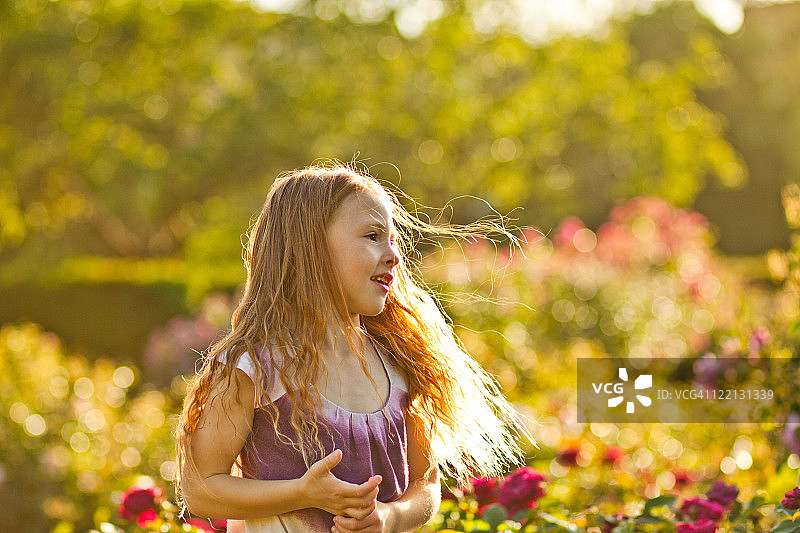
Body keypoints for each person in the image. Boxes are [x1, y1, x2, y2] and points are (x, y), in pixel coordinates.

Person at [174, 163, 533, 533]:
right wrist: (303, 493)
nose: (393, 255)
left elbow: (424, 485)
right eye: (373, 236)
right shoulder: (253, 367)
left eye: (393, 239)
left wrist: (390, 517)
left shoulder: (400, 363)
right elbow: (200, 489)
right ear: (310, 247)